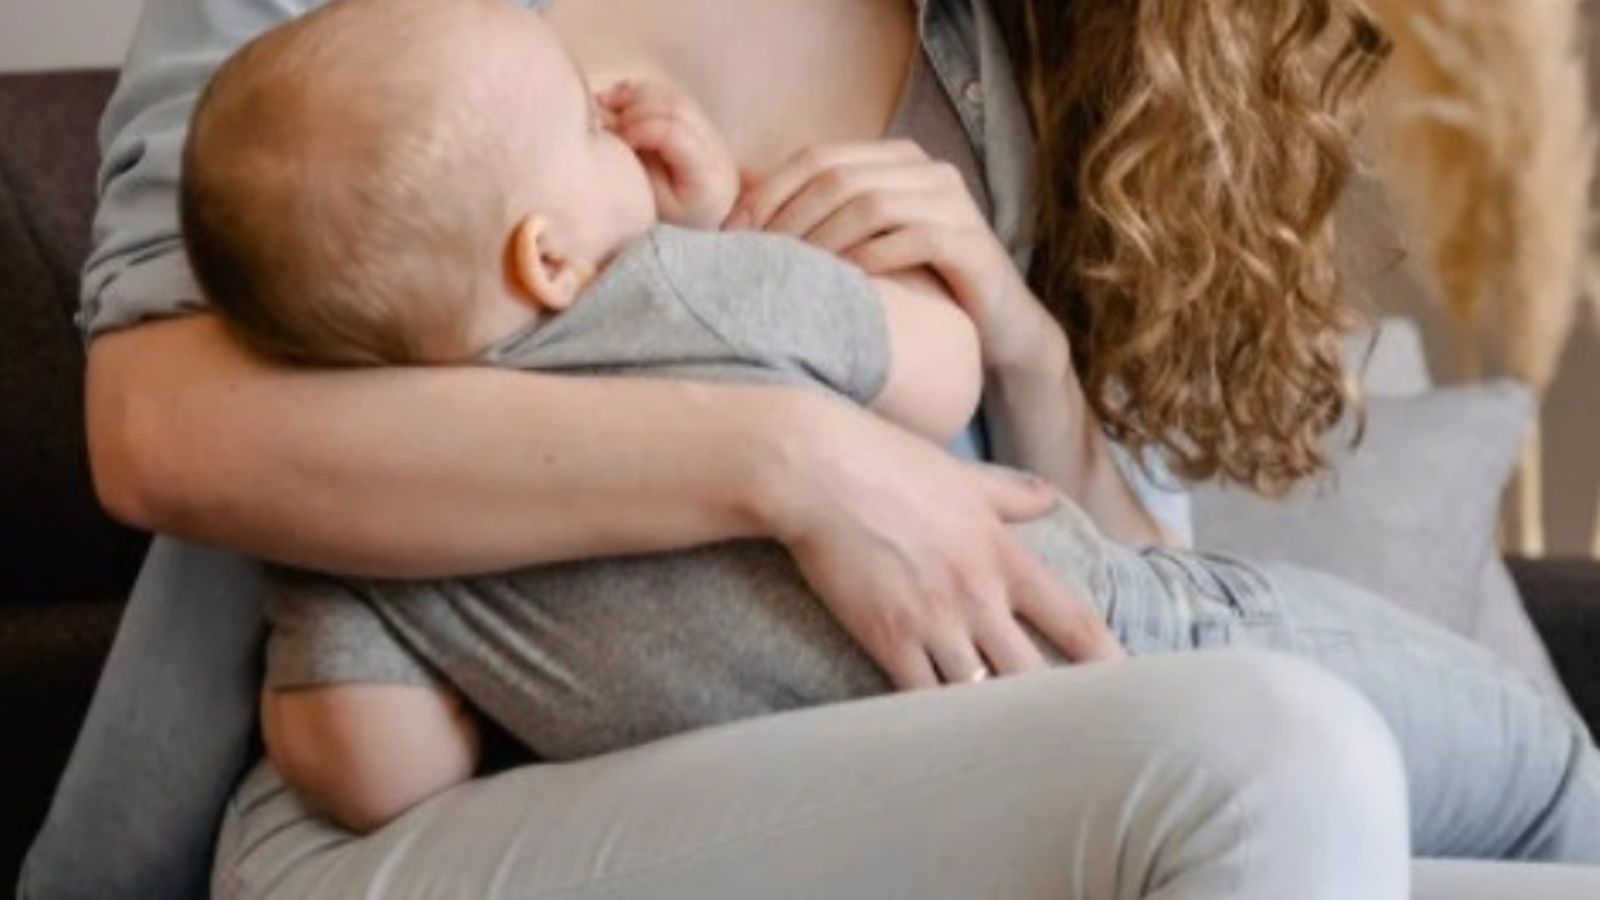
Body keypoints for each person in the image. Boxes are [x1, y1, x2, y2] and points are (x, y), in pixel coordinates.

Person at [10, 1, 1572, 899]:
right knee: (1281, 753)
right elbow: (163, 430)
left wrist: (1022, 340)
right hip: (468, 825)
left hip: (925, 752)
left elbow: (1116, 585)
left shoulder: (1006, 38)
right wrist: (793, 458)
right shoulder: (378, 52)